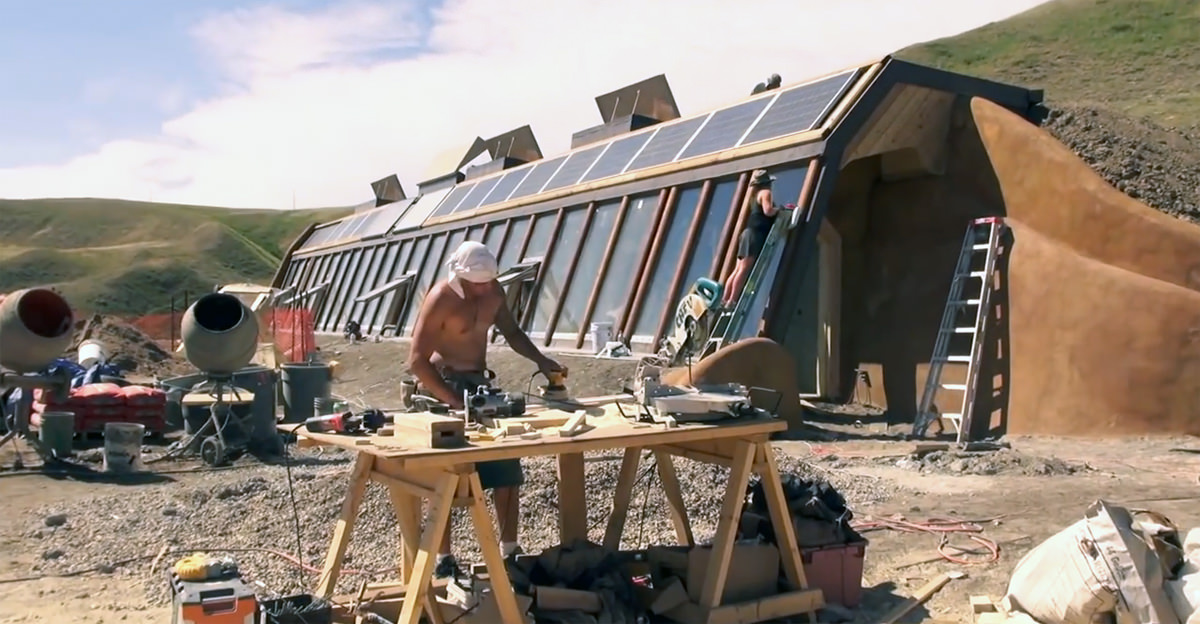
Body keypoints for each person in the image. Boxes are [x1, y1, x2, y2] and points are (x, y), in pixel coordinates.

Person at [407, 240, 567, 579]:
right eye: (476, 282)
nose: (483, 288)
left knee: (506, 464)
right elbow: (418, 362)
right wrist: (453, 401)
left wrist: (542, 360)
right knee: (446, 474)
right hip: (444, 385)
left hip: (478, 385)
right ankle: (443, 558)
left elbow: (511, 331)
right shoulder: (441, 299)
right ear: (460, 277)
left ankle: (509, 551)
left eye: (487, 281)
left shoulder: (494, 292)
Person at [721, 169, 780, 308]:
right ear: (767, 183)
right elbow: (768, 211)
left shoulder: (754, 197)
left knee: (737, 269)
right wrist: (781, 210)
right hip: (755, 235)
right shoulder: (766, 193)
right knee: (744, 269)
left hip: (747, 233)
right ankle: (732, 301)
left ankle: (725, 299)